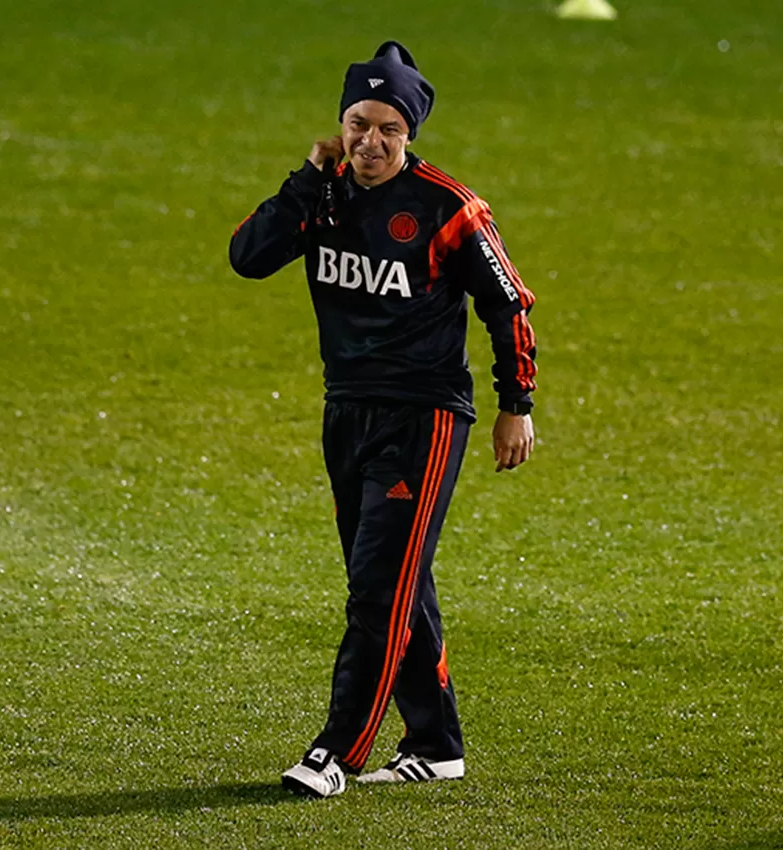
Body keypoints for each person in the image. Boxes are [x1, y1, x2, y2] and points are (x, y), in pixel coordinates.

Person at [227, 40, 538, 798]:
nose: (370, 141)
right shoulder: (322, 193)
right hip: (346, 410)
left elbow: (511, 307)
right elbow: (247, 257)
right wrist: (305, 179)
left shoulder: (449, 208)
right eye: (358, 123)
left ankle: (339, 752)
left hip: (425, 418)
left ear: (411, 135)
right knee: (398, 586)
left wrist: (514, 407)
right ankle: (435, 744)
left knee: (376, 591)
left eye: (388, 129)